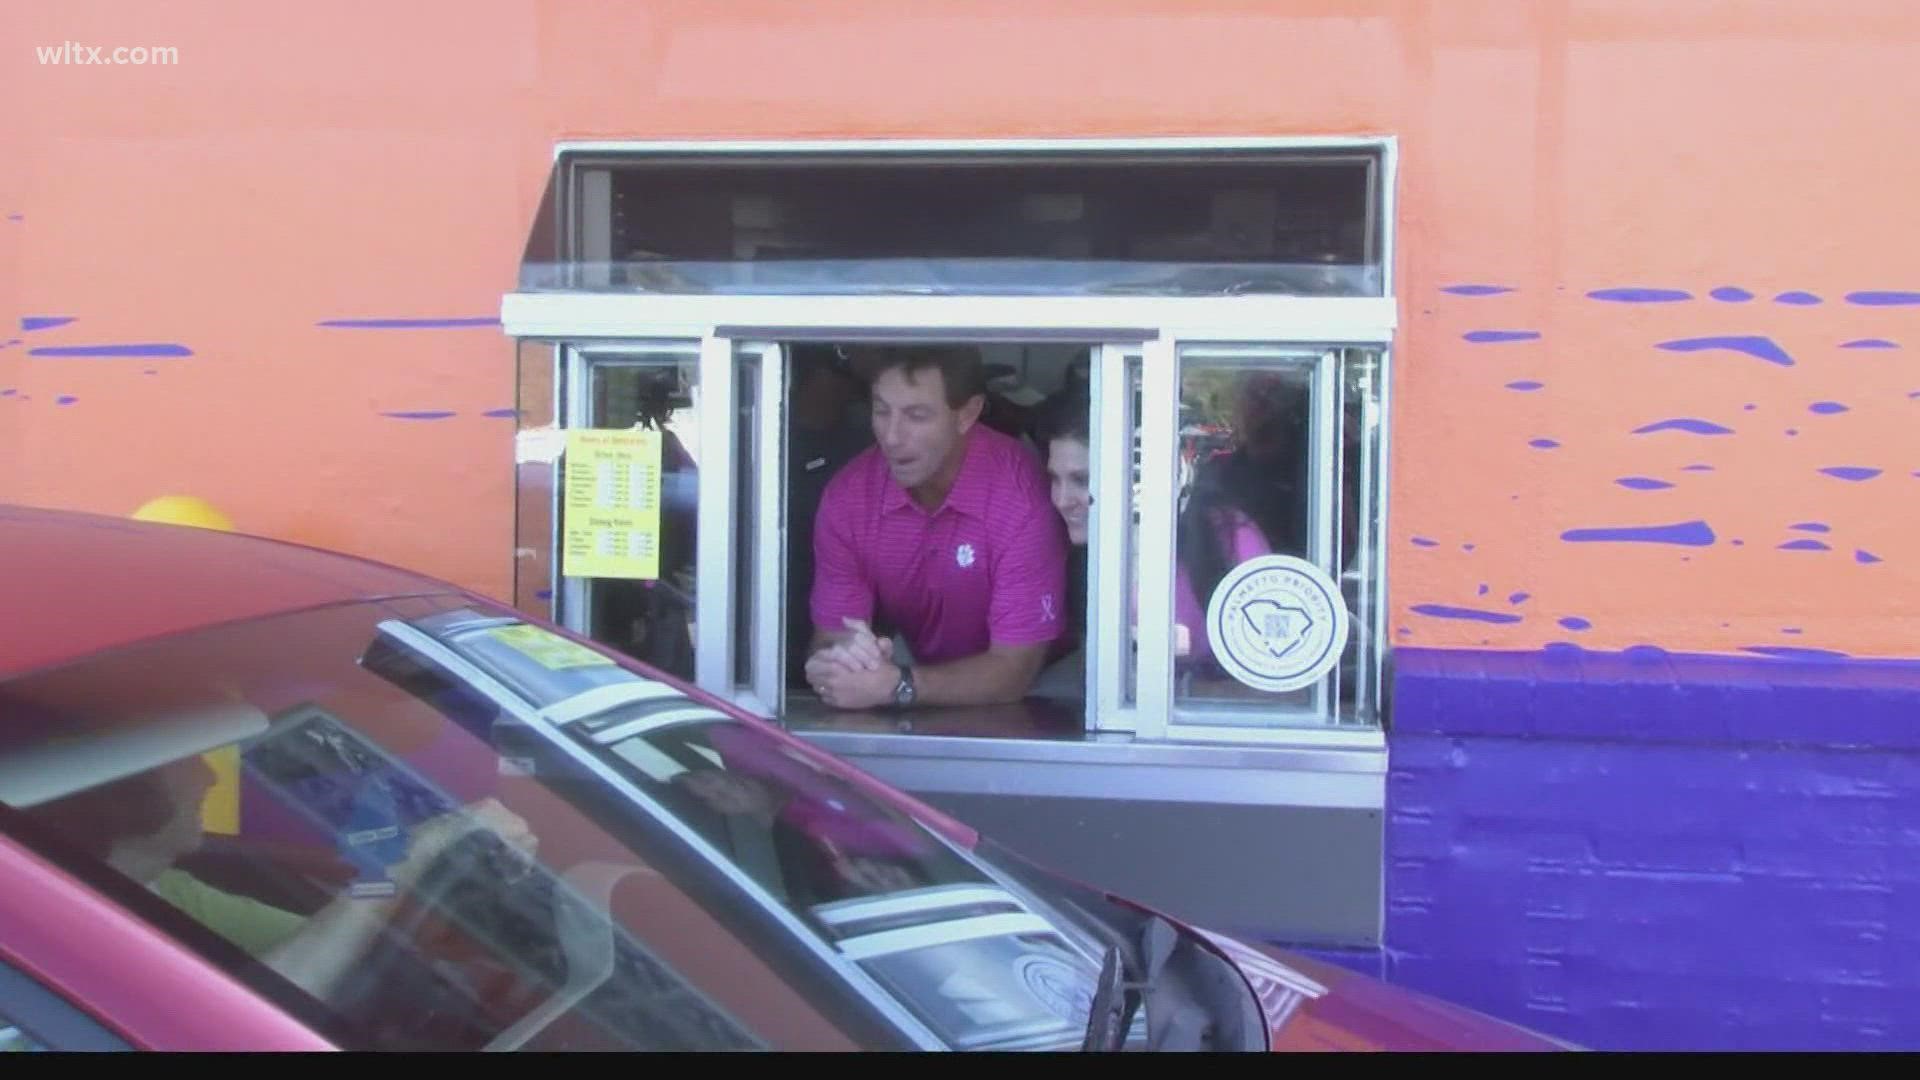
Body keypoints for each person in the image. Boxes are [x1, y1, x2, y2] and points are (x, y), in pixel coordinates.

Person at [32, 755, 535, 1003]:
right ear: (125, 792)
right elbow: (247, 1022)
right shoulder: (56, 935)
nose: (209, 777)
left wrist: (448, 949)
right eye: (184, 761)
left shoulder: (165, 888)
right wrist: (410, 859)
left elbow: (318, 945)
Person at [805, 345, 1068, 711]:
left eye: (916, 415)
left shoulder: (1019, 496)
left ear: (968, 414)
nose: (892, 437)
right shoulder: (849, 496)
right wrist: (841, 663)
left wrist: (899, 684)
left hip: (1046, 680)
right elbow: (833, 637)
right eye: (882, 411)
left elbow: (1014, 671)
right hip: (912, 661)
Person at [1033, 383, 1271, 683]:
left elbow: (1270, 682)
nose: (1062, 499)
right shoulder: (1065, 548)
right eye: (1054, 479)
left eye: (1082, 480)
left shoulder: (1231, 538)